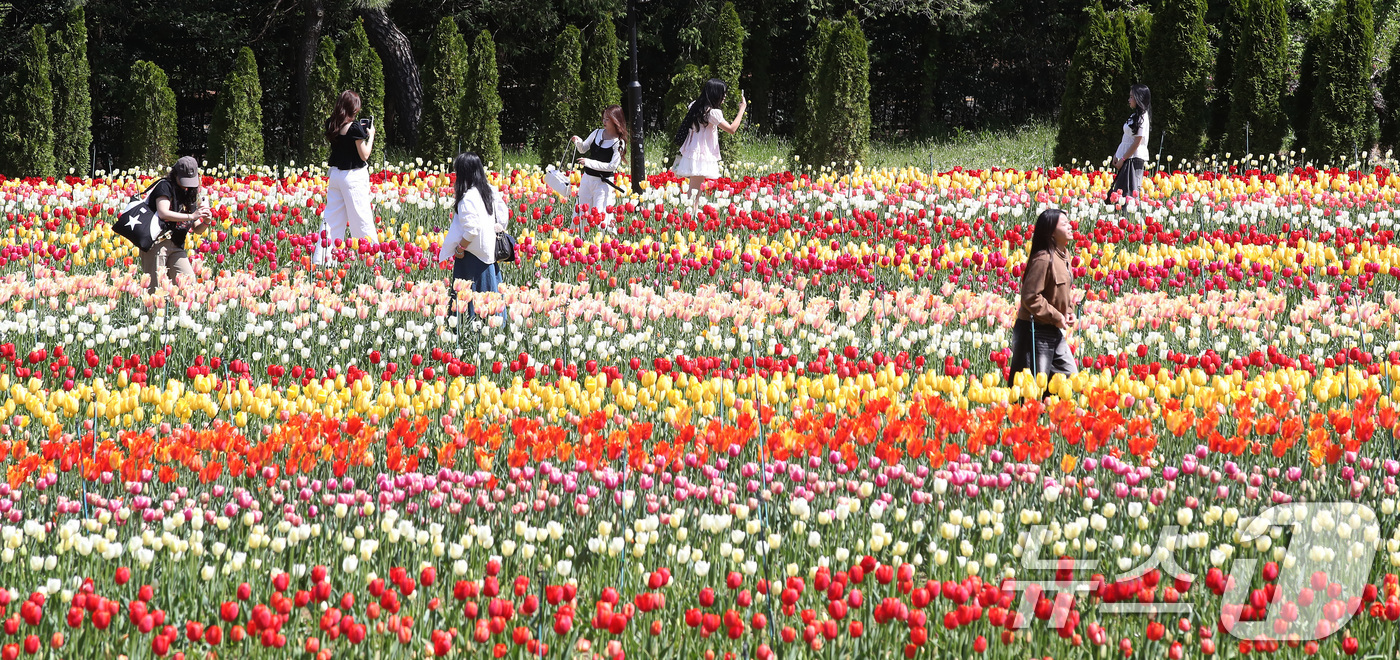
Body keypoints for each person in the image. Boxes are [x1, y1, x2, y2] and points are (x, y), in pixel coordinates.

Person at [1008, 208, 1079, 382]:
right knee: (1033, 385)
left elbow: (1064, 291)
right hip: (1034, 331)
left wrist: (1068, 310)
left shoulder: (1064, 256)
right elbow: (1030, 296)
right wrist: (1056, 315)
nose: (1070, 226)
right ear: (1051, 233)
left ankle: (1052, 409)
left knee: (1070, 377)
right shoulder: (1043, 259)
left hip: (1053, 329)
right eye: (1064, 224)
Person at [441, 152, 509, 322]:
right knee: (491, 302)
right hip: (490, 253)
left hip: (472, 257)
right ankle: (494, 329)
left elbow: (472, 229)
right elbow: (503, 216)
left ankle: (473, 331)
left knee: (473, 304)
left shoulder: (467, 198)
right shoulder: (489, 190)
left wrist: (460, 248)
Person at [317, 90, 379, 265]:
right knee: (361, 219)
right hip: (353, 177)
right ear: (354, 109)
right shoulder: (354, 129)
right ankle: (370, 259)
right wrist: (371, 135)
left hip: (336, 175)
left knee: (332, 219)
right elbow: (364, 155)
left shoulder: (332, 124)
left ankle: (323, 259)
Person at [671, 78, 747, 206]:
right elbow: (732, 129)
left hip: (693, 149)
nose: (725, 96)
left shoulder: (695, 106)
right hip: (702, 153)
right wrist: (742, 109)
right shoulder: (712, 113)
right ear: (715, 93)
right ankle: (690, 217)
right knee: (694, 192)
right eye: (723, 93)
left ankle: (691, 214)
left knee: (695, 190)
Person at [143, 156, 212, 293]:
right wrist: (191, 216)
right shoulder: (165, 186)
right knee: (156, 292)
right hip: (157, 243)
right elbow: (163, 212)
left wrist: (206, 221)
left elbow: (197, 229)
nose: (188, 184)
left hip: (177, 245)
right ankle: (152, 315)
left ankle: (182, 314)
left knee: (189, 285)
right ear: (175, 174)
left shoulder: (190, 192)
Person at [570, 104, 628, 229]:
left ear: (616, 121)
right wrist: (578, 141)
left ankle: (601, 244)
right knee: (580, 213)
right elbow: (583, 148)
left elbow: (612, 166)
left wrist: (589, 162)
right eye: (604, 118)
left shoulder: (619, 142)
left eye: (608, 119)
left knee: (600, 217)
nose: (604, 121)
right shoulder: (597, 133)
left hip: (603, 184)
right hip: (587, 180)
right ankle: (576, 241)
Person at [1108, 84, 1151, 202]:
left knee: (1130, 193)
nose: (1129, 100)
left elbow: (1137, 142)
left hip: (1133, 159)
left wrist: (1123, 158)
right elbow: (1126, 138)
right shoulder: (1134, 116)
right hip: (1126, 158)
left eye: (1132, 97)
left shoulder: (1143, 117)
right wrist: (1117, 154)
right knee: (1121, 192)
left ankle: (1129, 218)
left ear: (1139, 98)